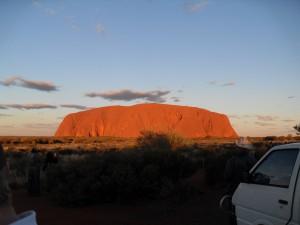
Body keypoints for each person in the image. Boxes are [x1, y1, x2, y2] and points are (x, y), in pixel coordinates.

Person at [0, 142, 38, 225]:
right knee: (34, 182)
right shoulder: (34, 156)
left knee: (31, 183)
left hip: (30, 170)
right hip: (34, 171)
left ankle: (30, 193)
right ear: (7, 173)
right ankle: (33, 193)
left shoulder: (28, 155)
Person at [224, 137, 257, 225]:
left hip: (234, 191)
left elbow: (227, 176)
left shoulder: (232, 160)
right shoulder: (253, 160)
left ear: (238, 148)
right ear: (247, 149)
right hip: (251, 192)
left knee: (232, 214)